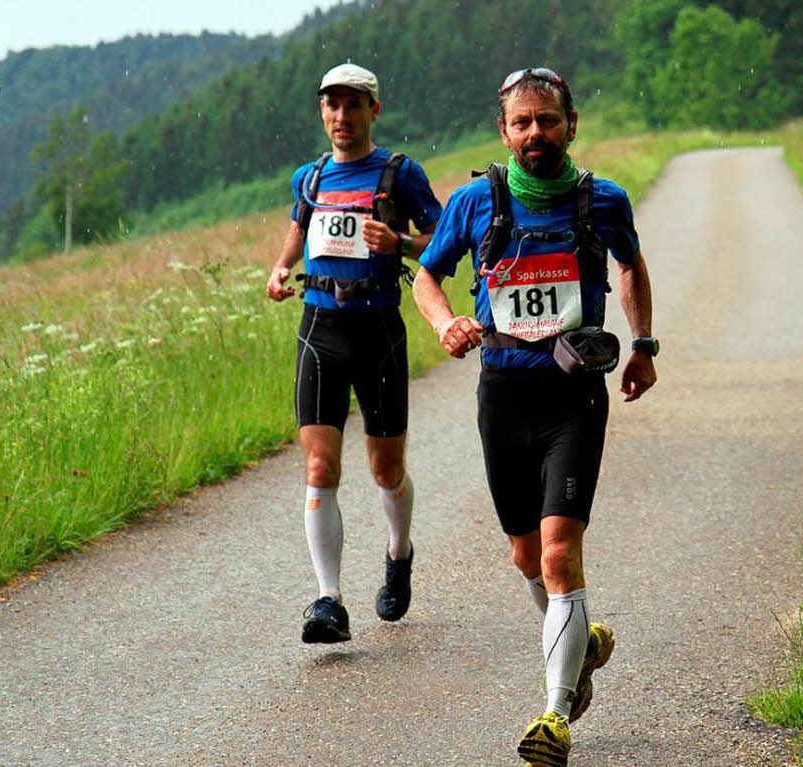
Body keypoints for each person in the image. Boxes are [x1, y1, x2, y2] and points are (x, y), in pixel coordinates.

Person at [412, 67, 657, 766]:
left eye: (547, 120)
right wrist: (444, 322)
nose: (535, 134)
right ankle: (579, 648)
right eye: (522, 123)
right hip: (502, 394)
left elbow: (632, 267)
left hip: (573, 397)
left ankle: (555, 715)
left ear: (571, 125)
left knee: (557, 549)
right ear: (504, 132)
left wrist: (643, 344)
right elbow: (427, 274)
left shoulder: (602, 201)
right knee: (525, 554)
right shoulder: (473, 202)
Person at [265, 63, 443, 644]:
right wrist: (280, 266)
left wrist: (400, 243)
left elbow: (442, 243)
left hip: (378, 330)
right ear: (322, 111)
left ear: (374, 110)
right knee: (320, 467)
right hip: (320, 326)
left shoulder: (399, 172)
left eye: (353, 105)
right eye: (331, 106)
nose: (341, 117)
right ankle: (328, 599)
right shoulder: (310, 177)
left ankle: (398, 553)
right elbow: (301, 225)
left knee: (385, 470)